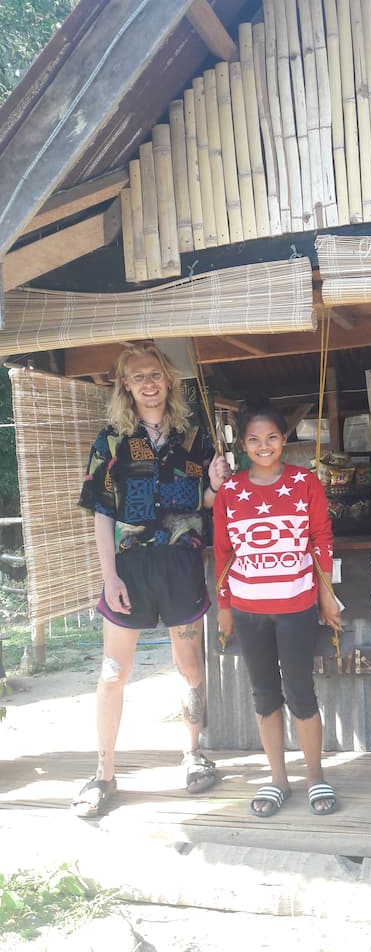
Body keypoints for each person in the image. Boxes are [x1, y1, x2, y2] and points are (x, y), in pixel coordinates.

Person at [71, 341, 230, 817]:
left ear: (168, 379)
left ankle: (193, 754)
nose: (148, 383)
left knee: (190, 667)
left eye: (155, 374)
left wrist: (216, 484)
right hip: (130, 567)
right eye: (138, 376)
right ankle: (104, 773)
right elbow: (101, 512)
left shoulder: (194, 437)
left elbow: (206, 501)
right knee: (112, 672)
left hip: (181, 562)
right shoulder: (111, 441)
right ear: (126, 384)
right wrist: (109, 576)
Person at [213, 397, 343, 817]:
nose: (263, 446)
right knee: (264, 694)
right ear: (242, 444)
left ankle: (316, 777)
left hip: (296, 605)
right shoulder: (229, 491)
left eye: (271, 437)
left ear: (284, 439)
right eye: (254, 439)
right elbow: (223, 553)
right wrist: (224, 607)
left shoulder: (306, 483)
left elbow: (321, 539)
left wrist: (326, 596)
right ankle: (278, 779)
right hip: (248, 609)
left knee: (300, 692)